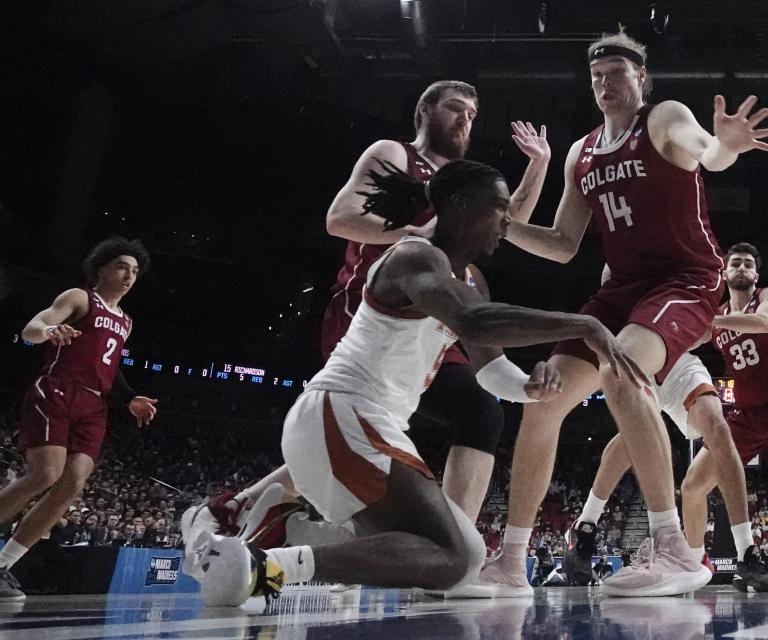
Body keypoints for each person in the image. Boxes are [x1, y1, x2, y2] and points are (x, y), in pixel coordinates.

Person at [198, 159, 643, 606]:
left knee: (463, 557)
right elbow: (473, 321)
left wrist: (529, 385)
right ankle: (266, 567)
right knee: (454, 557)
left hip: (366, 427)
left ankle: (285, 527)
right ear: (458, 206)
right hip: (343, 414)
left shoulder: (471, 279)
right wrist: (582, 325)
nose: (508, 219)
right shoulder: (415, 255)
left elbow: (491, 371)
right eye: (499, 208)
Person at [460, 30, 768, 598]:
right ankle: (511, 560)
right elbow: (561, 243)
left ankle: (674, 548)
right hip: (623, 290)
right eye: (597, 76)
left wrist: (726, 146)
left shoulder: (662, 120)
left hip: (686, 279)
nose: (606, 83)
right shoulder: (581, 154)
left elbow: (708, 151)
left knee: (622, 368)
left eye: (617, 73)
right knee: (543, 396)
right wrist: (503, 229)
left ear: (641, 79)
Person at [184, 80, 551, 545]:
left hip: (429, 314)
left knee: (467, 410)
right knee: (451, 410)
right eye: (456, 108)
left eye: (473, 115)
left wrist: (538, 166)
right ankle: (446, 546)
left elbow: (504, 222)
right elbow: (340, 219)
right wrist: (427, 230)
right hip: (371, 307)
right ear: (424, 110)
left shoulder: (462, 182)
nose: (465, 120)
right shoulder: (395, 154)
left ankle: (237, 508)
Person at [560, 261, 768, 593]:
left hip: (677, 362)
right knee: (632, 439)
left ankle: (746, 551)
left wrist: (696, 324)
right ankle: (585, 525)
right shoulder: (621, 260)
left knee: (718, 428)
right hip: (638, 358)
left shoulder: (683, 257)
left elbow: (702, 328)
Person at [0, 237, 157, 600]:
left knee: (71, 485)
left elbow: (110, 368)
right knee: (45, 474)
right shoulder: (80, 297)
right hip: (57, 389)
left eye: (135, 271)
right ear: (101, 268)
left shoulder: (126, 322)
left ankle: (5, 563)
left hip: (94, 404)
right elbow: (33, 327)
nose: (129, 275)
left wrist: (130, 398)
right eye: (121, 266)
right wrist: (49, 332)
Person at [696, 242, 768, 591]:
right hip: (744, 413)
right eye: (736, 263)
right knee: (693, 484)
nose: (743, 267)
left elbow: (763, 324)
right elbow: (682, 340)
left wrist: (709, 319)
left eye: (749, 263)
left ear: (756, 274)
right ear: (725, 273)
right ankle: (693, 561)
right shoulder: (715, 317)